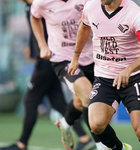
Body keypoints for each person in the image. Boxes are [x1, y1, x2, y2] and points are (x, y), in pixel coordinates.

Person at [0, 0, 96, 150]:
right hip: (52, 59)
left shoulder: (45, 3)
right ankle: (82, 136)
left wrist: (43, 48)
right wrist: (39, 46)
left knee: (32, 101)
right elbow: (35, 21)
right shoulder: (36, 6)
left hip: (52, 61)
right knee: (62, 101)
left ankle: (22, 144)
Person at [68, 0, 140, 149]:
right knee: (96, 125)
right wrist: (75, 57)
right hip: (104, 78)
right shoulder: (91, 7)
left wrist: (128, 70)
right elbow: (84, 28)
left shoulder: (136, 14)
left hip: (133, 78)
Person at [30, 0, 108, 150]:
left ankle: (65, 124)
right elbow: (34, 17)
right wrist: (42, 45)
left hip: (91, 56)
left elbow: (105, 12)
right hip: (62, 58)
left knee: (80, 102)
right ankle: (101, 145)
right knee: (87, 94)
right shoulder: (42, 2)